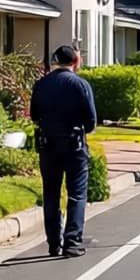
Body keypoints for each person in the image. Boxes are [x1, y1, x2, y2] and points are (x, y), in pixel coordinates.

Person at [29, 43, 97, 257]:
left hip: (48, 145)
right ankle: (72, 241)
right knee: (76, 193)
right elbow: (91, 120)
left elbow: (34, 115)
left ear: (55, 61)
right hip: (74, 144)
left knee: (51, 193)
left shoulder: (41, 84)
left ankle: (53, 242)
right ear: (75, 62)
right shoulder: (80, 84)